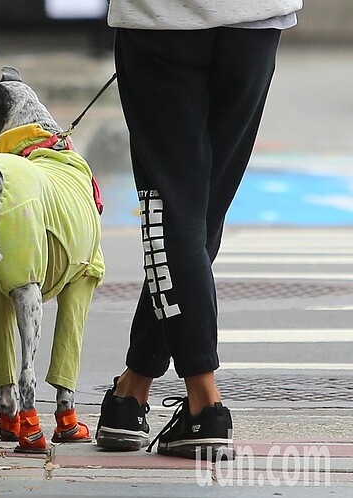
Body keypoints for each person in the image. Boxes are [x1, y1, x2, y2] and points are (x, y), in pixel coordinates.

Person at [95, 0, 303, 461]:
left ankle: (204, 405)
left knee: (175, 212)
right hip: (253, 23)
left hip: (163, 23)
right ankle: (131, 392)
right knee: (198, 216)